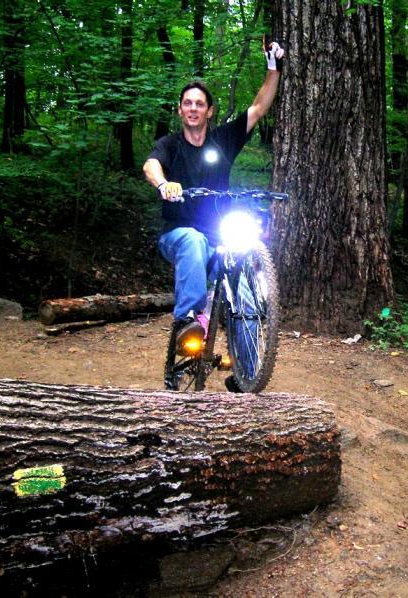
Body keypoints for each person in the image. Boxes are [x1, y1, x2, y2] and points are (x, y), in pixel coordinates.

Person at [143, 40, 284, 387]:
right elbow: (150, 165)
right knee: (191, 239)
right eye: (187, 103)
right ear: (180, 110)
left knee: (246, 293)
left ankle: (247, 375)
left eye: (200, 104)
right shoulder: (170, 144)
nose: (193, 108)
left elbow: (258, 109)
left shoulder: (222, 141)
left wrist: (272, 68)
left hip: (218, 237)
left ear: (209, 111)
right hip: (179, 235)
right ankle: (188, 320)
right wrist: (164, 185)